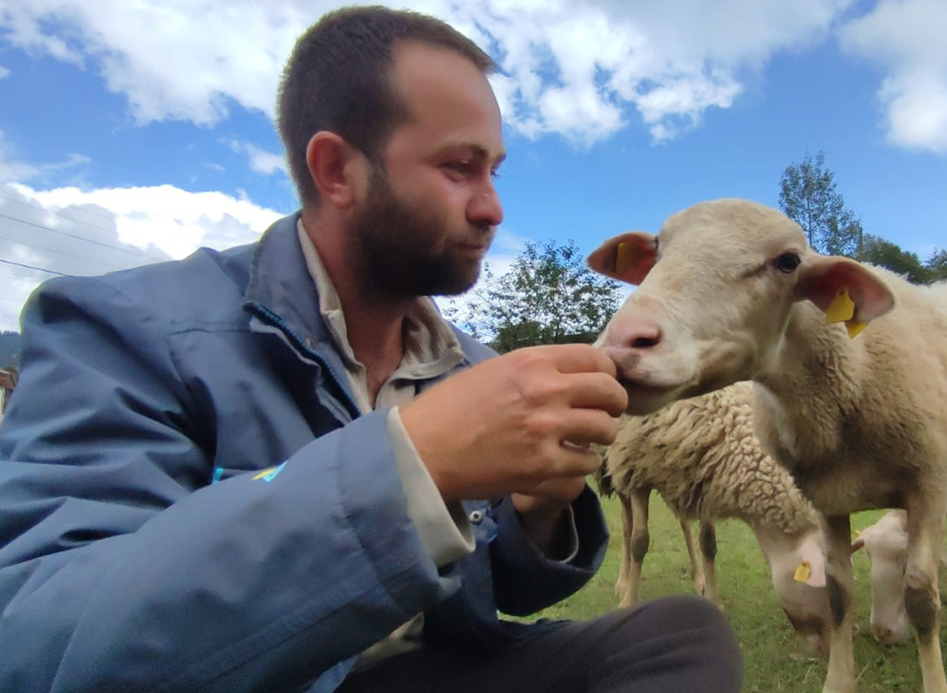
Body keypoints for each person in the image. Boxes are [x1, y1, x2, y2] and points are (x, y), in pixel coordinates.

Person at [0, 6, 743, 693]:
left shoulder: (470, 364)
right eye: (459, 167)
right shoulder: (122, 328)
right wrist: (412, 462)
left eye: (495, 170)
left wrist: (538, 508)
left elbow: (504, 593)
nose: (492, 207)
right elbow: (37, 636)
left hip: (423, 670)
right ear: (337, 171)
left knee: (679, 635)